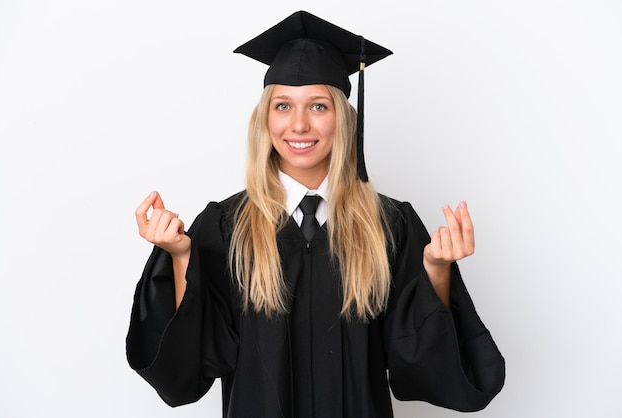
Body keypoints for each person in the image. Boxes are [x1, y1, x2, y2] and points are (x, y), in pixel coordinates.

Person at [126, 10, 505, 418]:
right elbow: (188, 367)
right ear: (265, 119)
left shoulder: (390, 226)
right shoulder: (225, 226)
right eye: (283, 105)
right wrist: (182, 257)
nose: (299, 125)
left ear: (342, 118)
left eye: (319, 106)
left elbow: (422, 366)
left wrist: (436, 270)